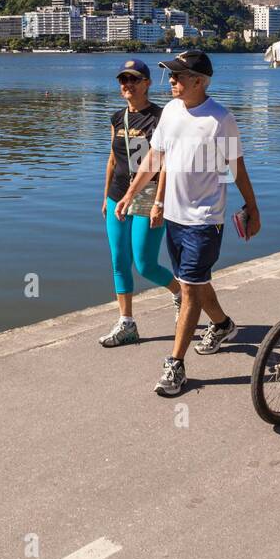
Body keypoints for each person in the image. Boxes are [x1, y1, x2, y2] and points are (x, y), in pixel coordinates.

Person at [116, 51, 261, 397]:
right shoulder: (170, 112)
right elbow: (155, 157)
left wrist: (252, 206)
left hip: (204, 218)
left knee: (189, 289)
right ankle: (223, 325)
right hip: (174, 218)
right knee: (190, 283)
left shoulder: (220, 119)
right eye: (170, 75)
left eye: (179, 76)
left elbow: (235, 166)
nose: (172, 81)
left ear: (199, 81)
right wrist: (130, 195)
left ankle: (175, 365)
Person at [100, 59, 182, 347]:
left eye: (134, 79)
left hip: (150, 195)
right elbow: (113, 159)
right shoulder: (116, 118)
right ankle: (127, 323)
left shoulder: (161, 118)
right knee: (119, 261)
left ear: (147, 83)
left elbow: (166, 163)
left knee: (145, 264)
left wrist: (160, 200)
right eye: (123, 80)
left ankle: (179, 293)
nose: (127, 85)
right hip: (118, 197)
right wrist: (106, 196)